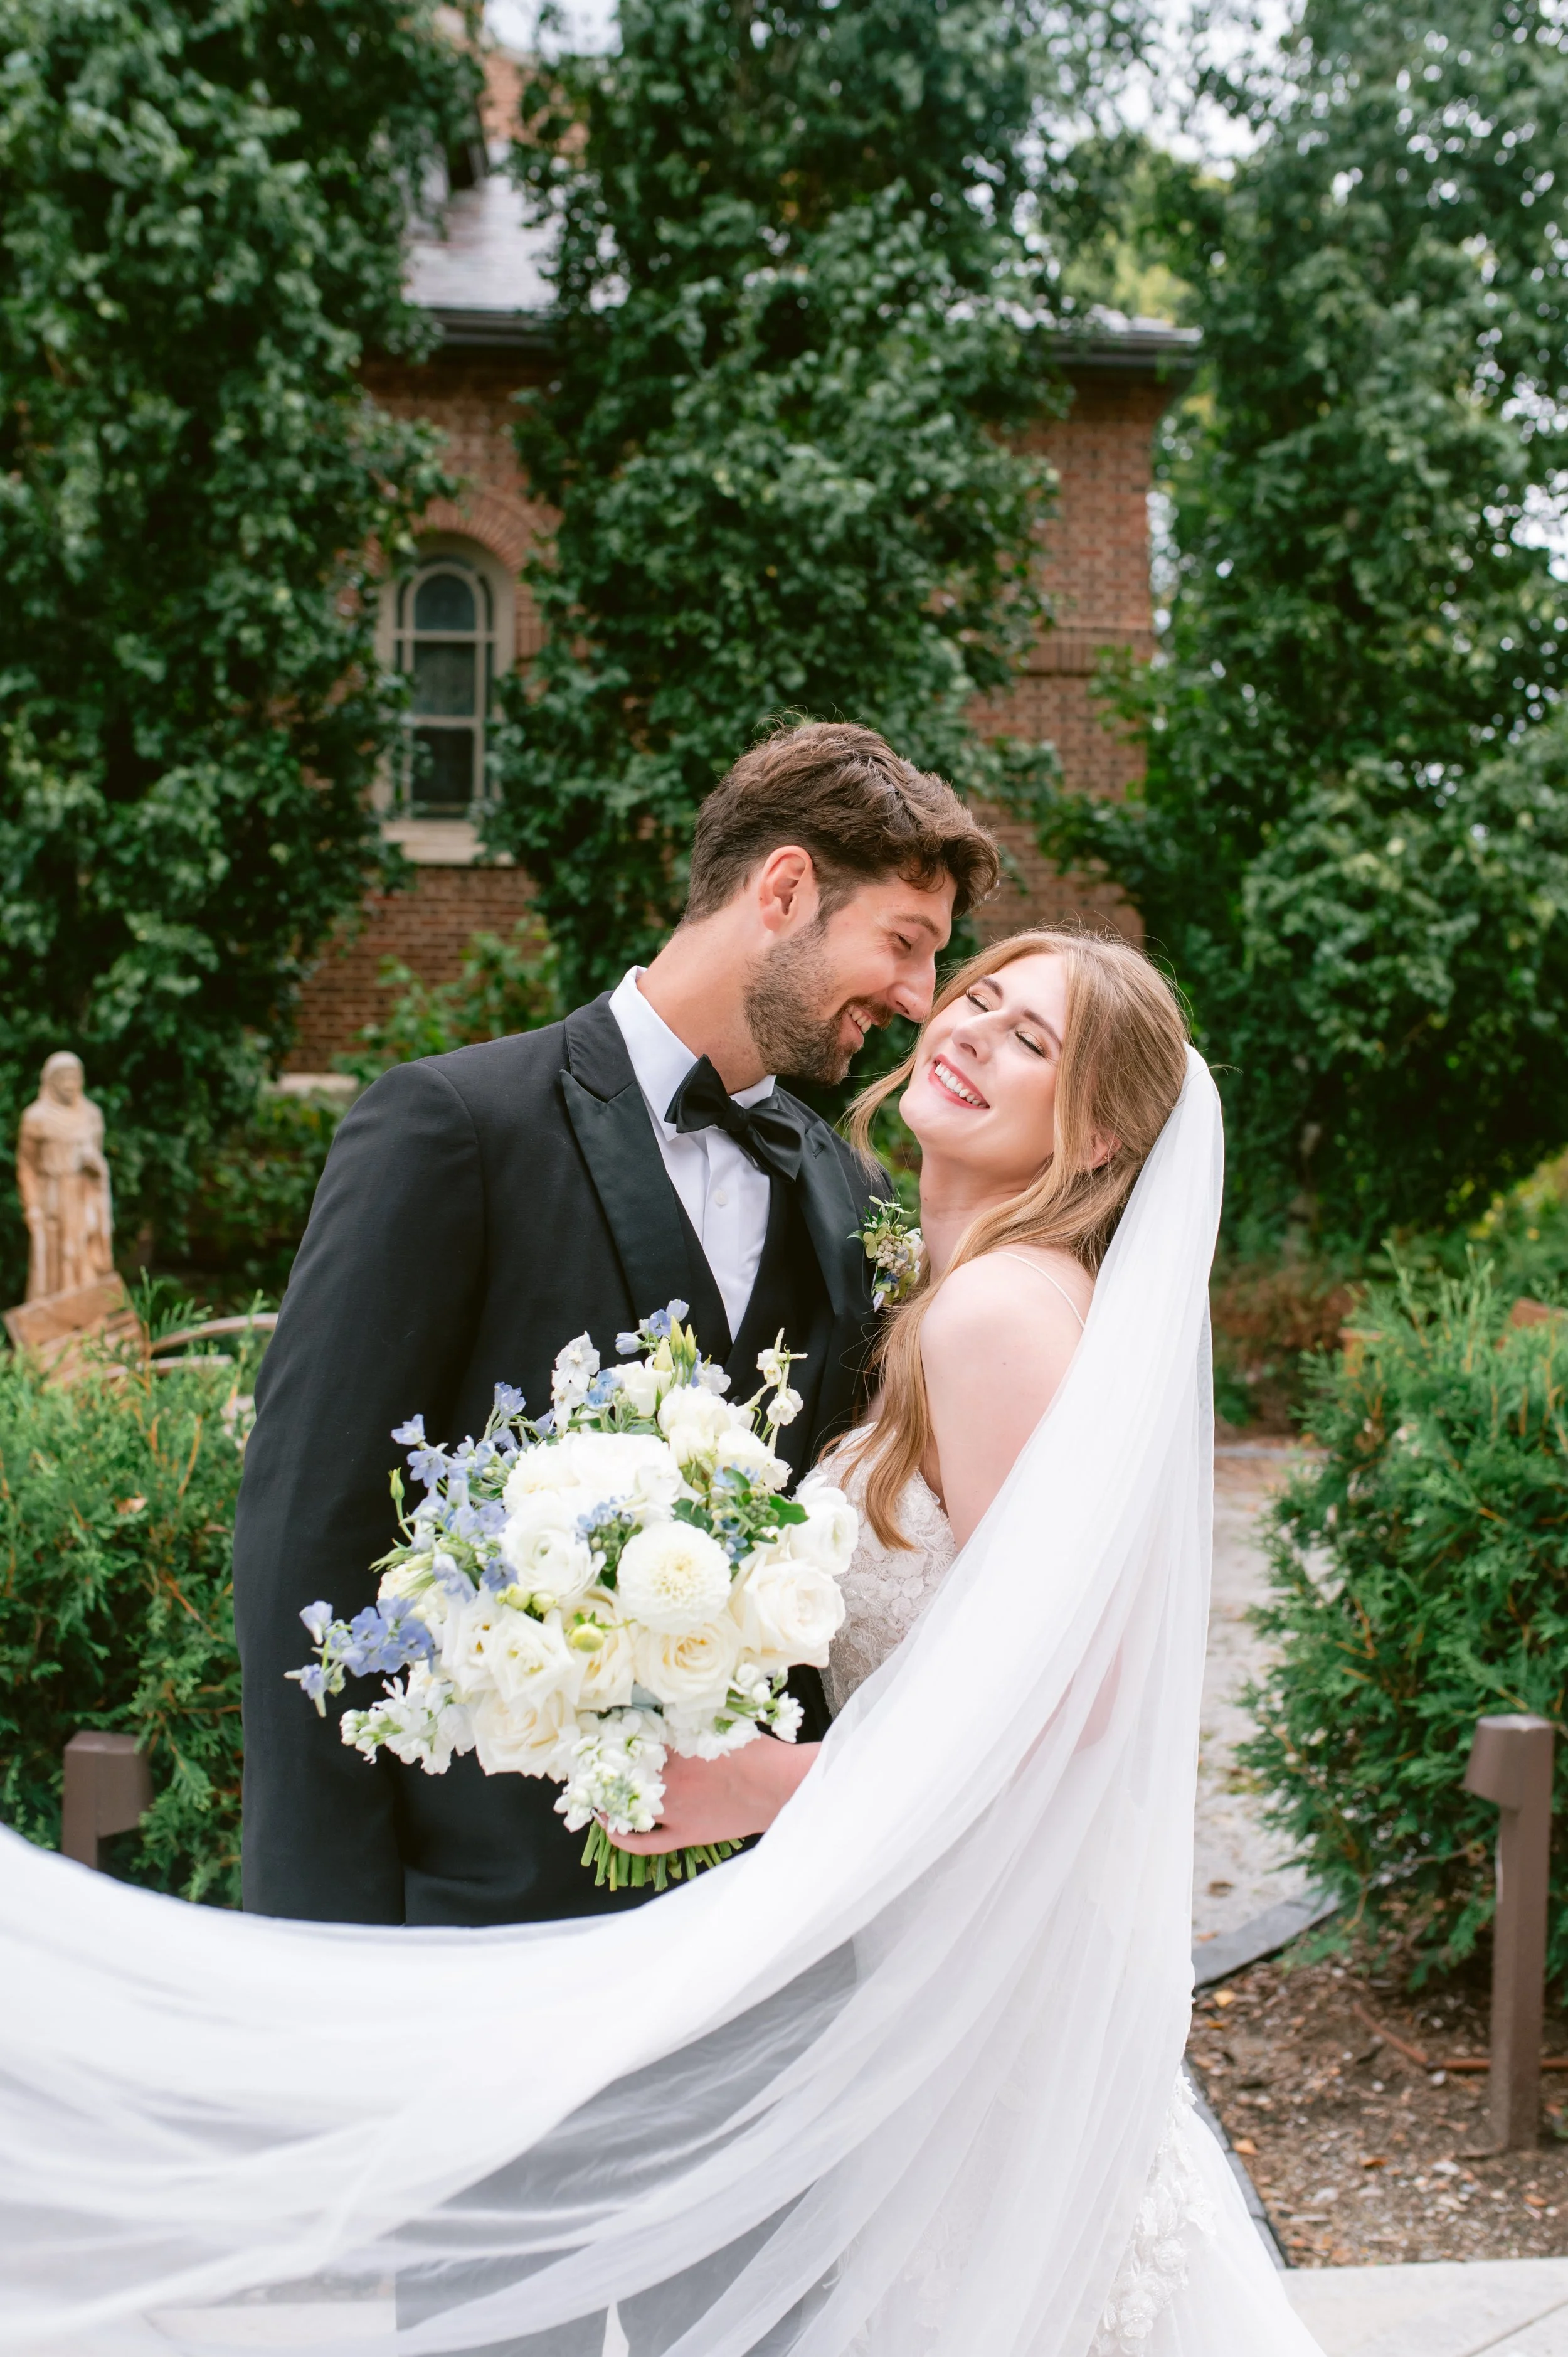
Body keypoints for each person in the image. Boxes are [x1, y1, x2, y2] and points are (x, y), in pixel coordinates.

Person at [0, 924, 1323, 2357]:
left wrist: (757, 1786)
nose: (963, 1029)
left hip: (944, 1980)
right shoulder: (919, 1266)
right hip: (842, 1953)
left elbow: (1061, 1729)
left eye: (1029, 1042)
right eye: (975, 995)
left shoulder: (998, 1314)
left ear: (1106, 1136)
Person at [233, 719, 1000, 1927]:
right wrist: (317, 1949)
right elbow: (305, 1543)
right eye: (904, 945)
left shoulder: (852, 1198)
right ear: (786, 889)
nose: (918, 999)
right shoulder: (454, 1129)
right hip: (477, 1912)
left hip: (757, 1927)